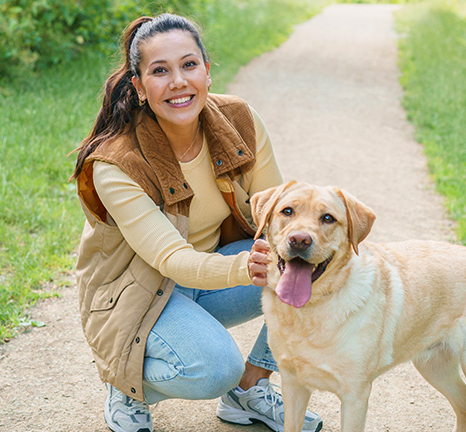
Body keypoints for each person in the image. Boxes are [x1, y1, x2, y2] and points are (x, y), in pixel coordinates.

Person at [70, 13, 323, 432]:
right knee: (214, 368)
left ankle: (249, 389)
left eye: (189, 65)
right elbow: (170, 259)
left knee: (315, 268)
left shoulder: (240, 120)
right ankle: (126, 382)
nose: (178, 82)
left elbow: (276, 214)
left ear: (206, 69)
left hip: (209, 275)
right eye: (159, 71)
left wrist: (299, 249)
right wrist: (245, 268)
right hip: (138, 293)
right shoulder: (116, 163)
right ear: (138, 86)